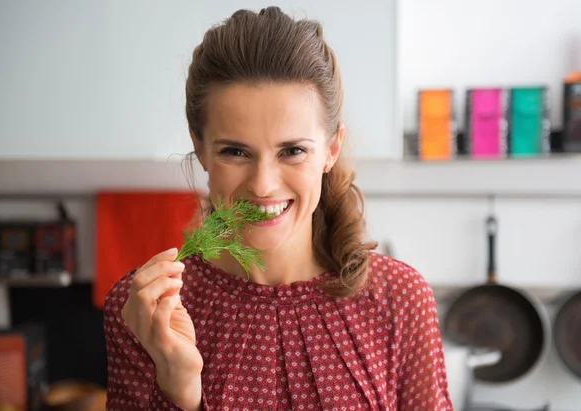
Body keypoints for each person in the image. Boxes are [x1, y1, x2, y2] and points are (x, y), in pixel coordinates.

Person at [103, 6, 452, 411]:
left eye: (293, 151)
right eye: (235, 151)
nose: (263, 184)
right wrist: (180, 390)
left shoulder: (399, 300)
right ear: (199, 147)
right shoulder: (145, 312)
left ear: (331, 150)